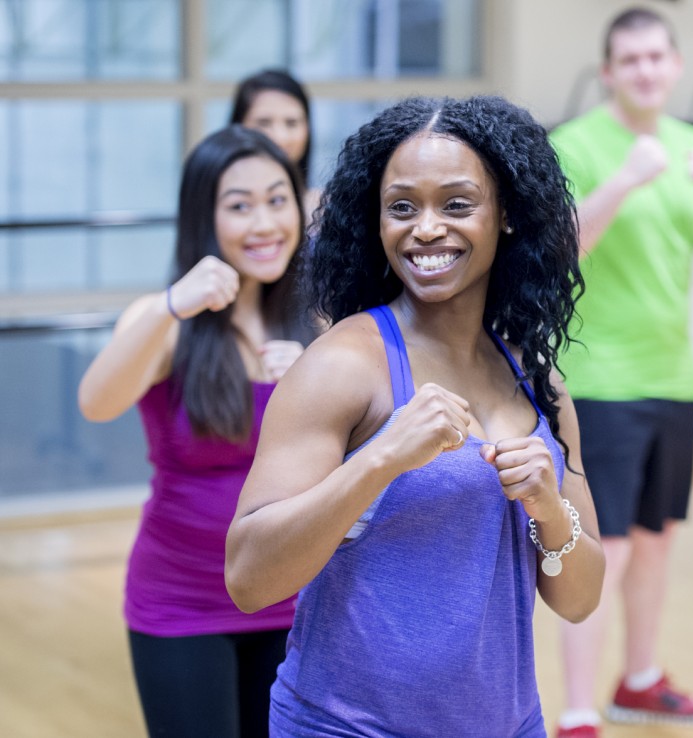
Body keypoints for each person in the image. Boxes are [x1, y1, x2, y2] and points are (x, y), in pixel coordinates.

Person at [223, 95, 605, 737]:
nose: (426, 228)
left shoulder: (538, 381)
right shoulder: (343, 365)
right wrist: (379, 460)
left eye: (457, 204)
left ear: (505, 215)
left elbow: (581, 598)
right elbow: (249, 577)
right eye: (402, 207)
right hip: (347, 726)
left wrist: (548, 507)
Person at [78, 125, 316, 738]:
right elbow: (96, 402)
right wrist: (169, 306)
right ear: (204, 217)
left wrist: (313, 383)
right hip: (181, 603)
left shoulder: (320, 319)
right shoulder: (166, 320)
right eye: (239, 206)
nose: (264, 223)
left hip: (297, 598)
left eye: (277, 199)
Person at [548, 7, 693, 736]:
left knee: (657, 540)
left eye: (656, 57)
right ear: (608, 71)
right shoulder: (576, 145)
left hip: (674, 379)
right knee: (609, 547)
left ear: (676, 65)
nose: (645, 71)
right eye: (629, 60)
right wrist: (625, 180)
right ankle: (574, 709)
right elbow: (560, 249)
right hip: (602, 383)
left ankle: (638, 679)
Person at [230, 68, 321, 218]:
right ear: (239, 127)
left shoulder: (324, 209)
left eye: (291, 123)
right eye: (264, 123)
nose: (280, 137)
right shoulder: (219, 206)